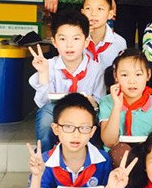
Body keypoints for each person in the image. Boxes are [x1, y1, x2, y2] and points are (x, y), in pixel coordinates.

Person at [28, 10, 105, 153]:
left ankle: (94, 158)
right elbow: (42, 104)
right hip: (57, 113)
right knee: (45, 115)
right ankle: (44, 158)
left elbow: (101, 101)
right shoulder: (49, 65)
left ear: (86, 42)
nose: (69, 45)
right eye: (62, 39)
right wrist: (43, 73)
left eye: (76, 39)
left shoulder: (96, 68)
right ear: (54, 42)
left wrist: (92, 102)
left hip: (86, 113)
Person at [99, 49, 152, 159]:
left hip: (148, 155)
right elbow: (109, 142)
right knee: (121, 152)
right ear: (115, 76)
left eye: (138, 74)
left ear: (148, 75)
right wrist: (117, 106)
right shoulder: (107, 102)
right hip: (117, 158)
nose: (132, 81)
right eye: (124, 75)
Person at [81, 0, 126, 69]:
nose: (93, 13)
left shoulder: (119, 43)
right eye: (88, 8)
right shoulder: (76, 40)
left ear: (110, 14)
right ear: (82, 12)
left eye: (100, 9)